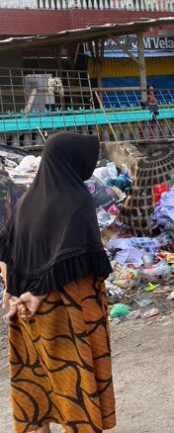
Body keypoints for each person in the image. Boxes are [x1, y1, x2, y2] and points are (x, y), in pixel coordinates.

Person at [0, 133, 116, 433]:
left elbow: (11, 251)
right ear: (71, 159)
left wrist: (13, 292)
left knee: (39, 384)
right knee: (75, 386)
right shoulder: (77, 201)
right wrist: (39, 292)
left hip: (28, 312)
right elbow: (78, 257)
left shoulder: (26, 201)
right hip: (71, 312)